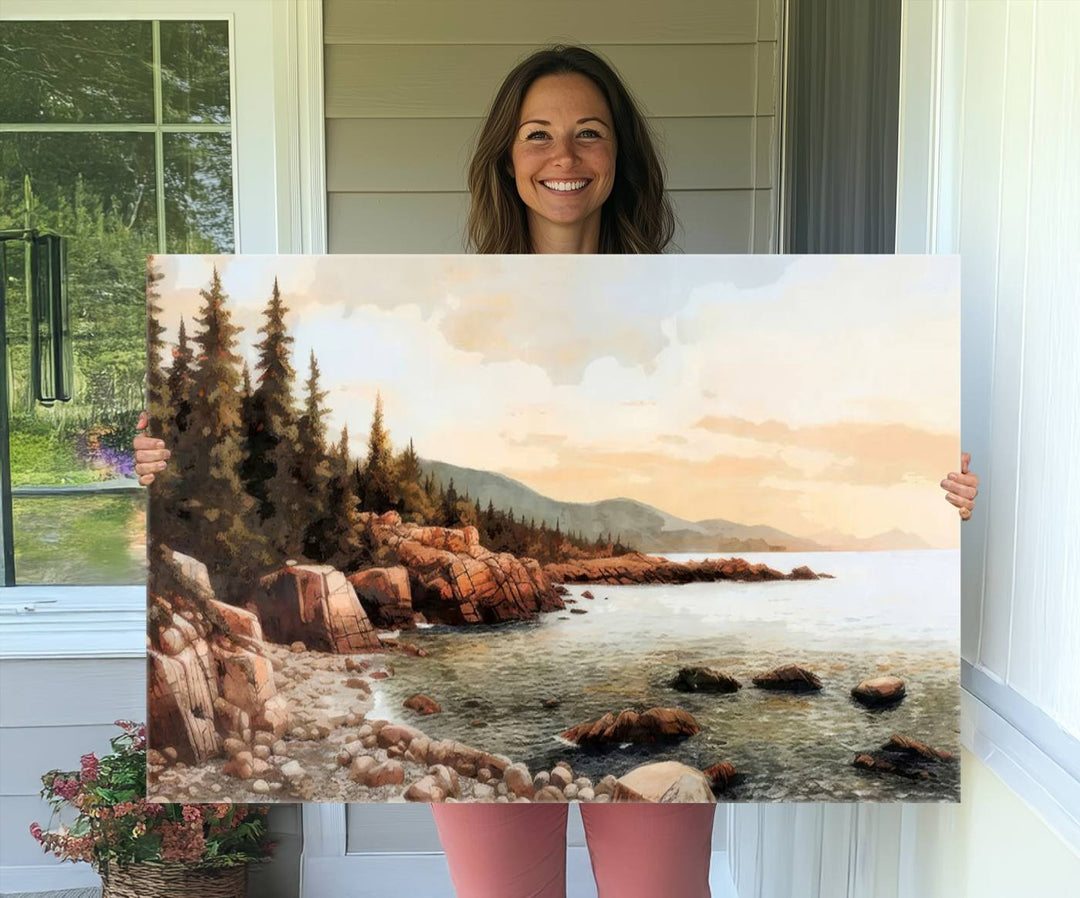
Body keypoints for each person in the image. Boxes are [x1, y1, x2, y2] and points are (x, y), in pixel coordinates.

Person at [134, 45, 979, 898]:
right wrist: (174, 466)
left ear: (620, 158)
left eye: (589, 134)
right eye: (538, 135)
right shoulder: (440, 300)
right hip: (476, 715)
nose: (564, 157)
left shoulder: (687, 300)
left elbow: (819, 432)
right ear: (508, 158)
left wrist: (933, 487)